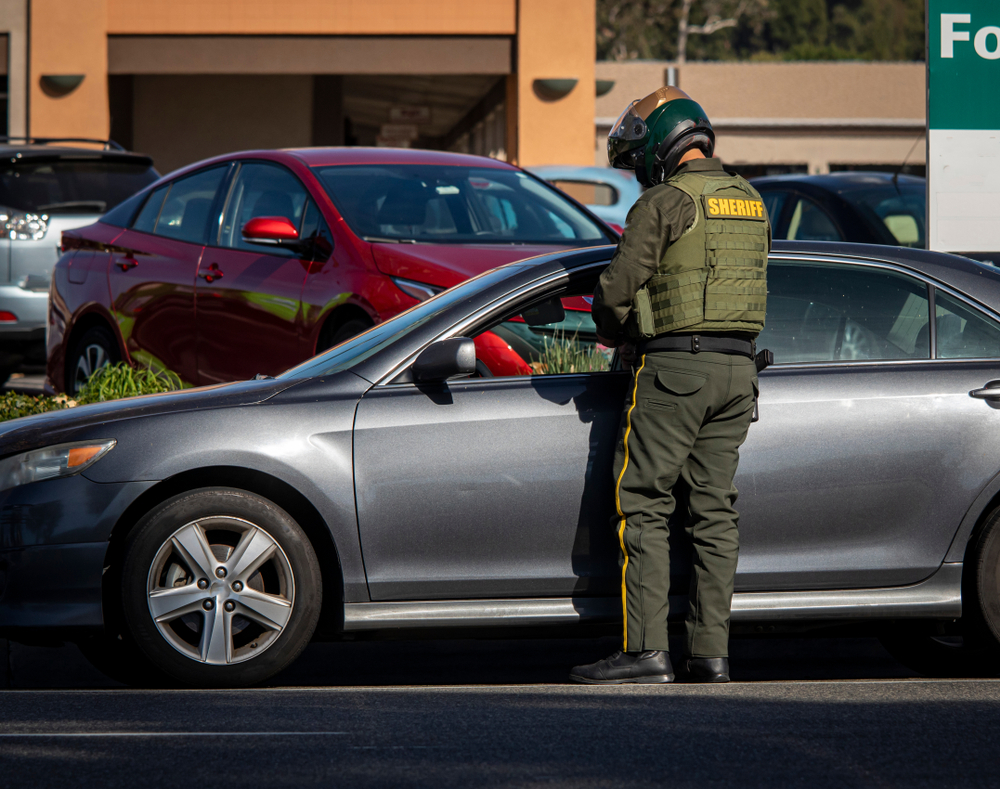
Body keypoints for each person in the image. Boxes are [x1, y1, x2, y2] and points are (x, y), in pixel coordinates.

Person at [570, 87, 771, 685]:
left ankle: (646, 652)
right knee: (713, 514)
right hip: (739, 374)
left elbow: (612, 290)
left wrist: (620, 333)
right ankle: (711, 655)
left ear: (660, 145)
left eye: (638, 160)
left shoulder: (665, 202)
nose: (638, 174)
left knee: (643, 505)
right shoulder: (752, 200)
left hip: (675, 372)